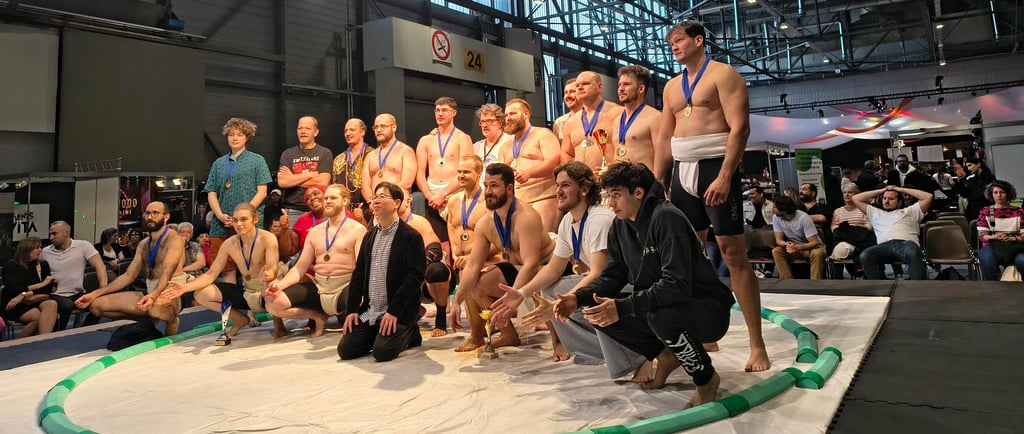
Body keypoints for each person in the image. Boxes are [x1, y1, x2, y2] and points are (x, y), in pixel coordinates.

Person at [652, 20, 770, 372]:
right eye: (670, 41)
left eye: (679, 40)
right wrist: (659, 177)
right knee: (687, 256)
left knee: (733, 253)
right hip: (681, 170)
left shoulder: (724, 75)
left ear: (698, 40)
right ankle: (704, 332)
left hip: (715, 165)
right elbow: (663, 136)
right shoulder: (671, 87)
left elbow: (740, 128)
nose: (673, 46)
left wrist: (724, 175)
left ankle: (757, 344)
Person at [575, 162, 734, 407]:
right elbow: (614, 275)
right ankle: (664, 355)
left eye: (616, 195)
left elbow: (676, 285)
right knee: (595, 311)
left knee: (661, 316)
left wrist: (623, 307)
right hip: (665, 305)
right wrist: (576, 298)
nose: (610, 203)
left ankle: (706, 379)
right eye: (608, 196)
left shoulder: (667, 218)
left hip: (707, 309)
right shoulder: (620, 225)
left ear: (638, 192)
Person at [489, 162, 652, 380]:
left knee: (583, 298)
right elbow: (554, 268)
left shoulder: (599, 219)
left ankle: (638, 354)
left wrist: (565, 301)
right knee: (549, 288)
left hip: (627, 285)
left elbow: (600, 274)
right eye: (557, 185)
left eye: (565, 185)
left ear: (584, 189)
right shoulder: (568, 220)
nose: (558, 191)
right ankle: (596, 350)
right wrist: (521, 294)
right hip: (604, 281)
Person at [449, 163, 555, 352]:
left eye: (494, 186)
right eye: (487, 185)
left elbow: (531, 264)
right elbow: (473, 266)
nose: (488, 191)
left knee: (540, 280)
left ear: (509, 188)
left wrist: (513, 297)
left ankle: (558, 342)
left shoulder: (525, 217)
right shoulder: (486, 223)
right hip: (517, 268)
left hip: (544, 266)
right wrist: (456, 301)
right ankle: (503, 335)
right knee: (473, 281)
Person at [162, 203, 284, 338]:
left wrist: (268, 274)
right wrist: (184, 288)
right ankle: (239, 319)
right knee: (202, 293)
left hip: (267, 291)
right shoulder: (229, 243)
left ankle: (279, 324)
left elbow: (273, 267)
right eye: (235, 220)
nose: (239, 224)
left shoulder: (267, 238)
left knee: (271, 283)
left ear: (255, 219)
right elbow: (210, 274)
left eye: (244, 219)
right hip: (246, 292)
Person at [339, 182, 426, 362]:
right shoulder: (369, 236)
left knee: (383, 352)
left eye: (383, 196)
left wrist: (394, 311)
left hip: (397, 312)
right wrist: (352, 310)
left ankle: (410, 332)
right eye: (374, 197)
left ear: (397, 203)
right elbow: (359, 273)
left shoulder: (411, 236)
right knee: (346, 350)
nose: (377, 201)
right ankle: (376, 333)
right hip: (372, 310)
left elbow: (415, 278)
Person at [265, 184, 367, 336]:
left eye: (333, 198)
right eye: (326, 198)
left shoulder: (358, 230)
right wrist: (279, 285)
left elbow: (362, 269)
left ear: (345, 201)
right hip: (319, 288)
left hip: (345, 286)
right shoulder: (314, 233)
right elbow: (300, 268)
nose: (327, 201)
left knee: (362, 303)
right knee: (273, 303)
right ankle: (317, 316)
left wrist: (360, 293)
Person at [75, 202, 185, 335]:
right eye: (147, 213)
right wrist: (94, 294)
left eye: (155, 213)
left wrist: (154, 296)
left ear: (166, 217)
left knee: (155, 308)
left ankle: (171, 321)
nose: (150, 217)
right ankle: (149, 318)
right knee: (96, 305)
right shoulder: (144, 244)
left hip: (171, 292)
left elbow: (168, 271)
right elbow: (128, 276)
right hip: (149, 292)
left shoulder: (174, 238)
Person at [205, 117, 273, 283]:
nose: (234, 138)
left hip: (249, 222)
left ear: (247, 137)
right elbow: (211, 192)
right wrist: (220, 215)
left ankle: (254, 305)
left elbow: (262, 191)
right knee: (226, 268)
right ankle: (231, 305)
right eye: (231, 134)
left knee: (254, 266)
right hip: (222, 222)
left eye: (239, 134)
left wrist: (242, 216)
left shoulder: (257, 160)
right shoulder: (218, 163)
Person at [443, 155, 498, 336]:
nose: (461, 175)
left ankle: (500, 326)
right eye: (459, 172)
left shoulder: (489, 200)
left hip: (487, 259)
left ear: (479, 173)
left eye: (466, 172)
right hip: (463, 260)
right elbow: (451, 226)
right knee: (465, 278)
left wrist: (474, 257)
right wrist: (456, 254)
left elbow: (498, 239)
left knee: (473, 282)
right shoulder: (453, 200)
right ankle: (477, 334)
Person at [416, 97, 473, 246]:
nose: (440, 114)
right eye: (437, 110)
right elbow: (420, 174)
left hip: (454, 192)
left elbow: (465, 172)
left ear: (454, 112)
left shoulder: (463, 138)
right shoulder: (426, 140)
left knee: (459, 239)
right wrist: (430, 196)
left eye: (445, 110)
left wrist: (443, 194)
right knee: (438, 242)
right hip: (431, 195)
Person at [499, 98, 561, 233]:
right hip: (516, 199)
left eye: (512, 113)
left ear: (526, 114)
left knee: (541, 241)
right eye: (506, 115)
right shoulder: (505, 147)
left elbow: (554, 162)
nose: (508, 118)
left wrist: (529, 173)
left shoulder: (542, 134)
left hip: (543, 195)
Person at [395, 188, 449, 336]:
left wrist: (413, 268)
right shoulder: (385, 225)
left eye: (400, 198)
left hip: (422, 279)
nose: (396, 201)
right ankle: (414, 311)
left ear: (408, 201)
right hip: (400, 282)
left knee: (437, 270)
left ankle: (441, 319)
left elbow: (435, 251)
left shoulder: (419, 222)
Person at [852, 185, 933, 280]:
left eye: (891, 199)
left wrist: (900, 189)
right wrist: (881, 191)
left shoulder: (911, 211)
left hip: (905, 245)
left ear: (899, 202)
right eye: (885, 198)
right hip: (883, 246)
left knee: (913, 251)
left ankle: (916, 286)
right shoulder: (875, 212)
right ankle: (880, 285)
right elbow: (856, 198)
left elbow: (928, 197)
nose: (886, 201)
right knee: (865, 255)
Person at [40, 221, 108, 330]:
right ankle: (57, 334)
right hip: (55, 294)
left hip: (77, 293)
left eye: (54, 234)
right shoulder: (45, 252)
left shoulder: (83, 246)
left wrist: (102, 289)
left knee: (99, 303)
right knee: (66, 305)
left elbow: (100, 266)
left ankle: (85, 330)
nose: (51, 237)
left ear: (66, 233)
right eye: (50, 234)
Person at [278, 115, 333, 231]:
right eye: (300, 128)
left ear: (316, 132)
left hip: (319, 211)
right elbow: (282, 181)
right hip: (293, 211)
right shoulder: (288, 154)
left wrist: (292, 178)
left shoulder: (324, 153)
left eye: (307, 128)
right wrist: (310, 175)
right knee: (291, 248)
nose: (303, 131)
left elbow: (323, 182)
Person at [560, 71, 623, 172]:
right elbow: (566, 153)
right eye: (577, 85)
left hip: (610, 180)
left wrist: (613, 169)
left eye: (585, 84)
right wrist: (574, 174)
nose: (580, 87)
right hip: (582, 184)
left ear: (599, 87)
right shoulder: (571, 122)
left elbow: (627, 148)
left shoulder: (618, 113)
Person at [2, 237, 59, 338]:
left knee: (51, 304)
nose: (41, 250)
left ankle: (44, 341)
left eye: (40, 247)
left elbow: (47, 289)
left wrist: (23, 294)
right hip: (14, 303)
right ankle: (18, 344)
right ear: (27, 250)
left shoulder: (43, 265)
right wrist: (42, 284)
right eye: (37, 247)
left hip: (35, 298)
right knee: (36, 315)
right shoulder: (10, 266)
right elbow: (12, 289)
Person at [361, 113, 417, 215]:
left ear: (394, 127)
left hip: (397, 205)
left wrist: (387, 200)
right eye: (376, 127)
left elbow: (407, 182)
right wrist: (372, 201)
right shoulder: (370, 156)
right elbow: (365, 185)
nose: (378, 130)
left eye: (383, 126)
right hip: (375, 208)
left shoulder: (405, 151)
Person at [611, 65, 660, 169]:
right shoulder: (616, 121)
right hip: (620, 182)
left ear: (641, 88)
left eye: (626, 84)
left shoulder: (655, 118)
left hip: (645, 182)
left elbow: (662, 155)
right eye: (620, 84)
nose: (621, 89)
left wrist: (658, 183)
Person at [976, 180, 1024, 280]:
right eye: (995, 192)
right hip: (992, 245)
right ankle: (994, 288)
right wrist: (994, 237)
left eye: (1002, 192)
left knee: (1022, 261)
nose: (999, 195)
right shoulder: (986, 211)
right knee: (987, 260)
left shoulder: (1019, 212)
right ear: (991, 194)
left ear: (1008, 194)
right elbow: (982, 235)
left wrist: (1012, 239)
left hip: (1016, 246)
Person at [771, 196, 826, 280]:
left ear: (783, 209)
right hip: (793, 247)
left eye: (775, 208)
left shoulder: (803, 218)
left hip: (810, 248)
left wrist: (797, 247)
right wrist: (787, 244)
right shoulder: (776, 218)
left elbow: (815, 242)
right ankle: (787, 281)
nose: (772, 209)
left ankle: (815, 282)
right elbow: (779, 240)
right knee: (776, 251)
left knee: (817, 253)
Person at [332, 118, 372, 224]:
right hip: (343, 211)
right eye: (346, 131)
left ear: (362, 132)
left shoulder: (373, 154)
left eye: (352, 130)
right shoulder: (338, 159)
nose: (348, 133)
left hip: (368, 210)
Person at [830, 184, 875, 277]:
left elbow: (869, 226)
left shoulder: (864, 209)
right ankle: (837, 278)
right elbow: (834, 227)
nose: (846, 195)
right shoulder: (838, 211)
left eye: (850, 192)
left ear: (857, 194)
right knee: (839, 248)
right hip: (844, 239)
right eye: (844, 192)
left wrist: (852, 229)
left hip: (861, 239)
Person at [277, 185, 327, 259]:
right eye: (308, 198)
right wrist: (284, 228)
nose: (312, 198)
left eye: (316, 193)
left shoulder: (341, 216)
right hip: (307, 268)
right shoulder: (302, 220)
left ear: (326, 195)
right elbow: (288, 251)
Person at [473, 103, 511, 176]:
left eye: (490, 121)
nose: (485, 125)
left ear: (500, 123)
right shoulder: (476, 146)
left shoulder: (510, 141)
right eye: (483, 121)